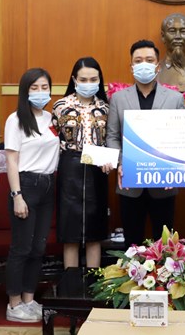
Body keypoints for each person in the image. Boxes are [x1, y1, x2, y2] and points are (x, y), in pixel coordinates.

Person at [106, 40, 185, 246]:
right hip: (129, 182)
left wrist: (174, 167)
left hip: (165, 182)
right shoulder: (118, 99)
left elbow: (181, 137)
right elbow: (112, 136)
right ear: (131, 66)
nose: (144, 64)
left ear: (157, 66)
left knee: (165, 245)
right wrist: (121, 163)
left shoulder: (175, 99)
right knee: (132, 244)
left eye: (149, 60)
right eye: (138, 60)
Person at [4, 68, 59, 322]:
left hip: (48, 185)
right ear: (25, 91)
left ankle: (29, 299)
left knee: (38, 248)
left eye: (44, 87)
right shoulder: (15, 119)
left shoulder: (52, 118)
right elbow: (11, 161)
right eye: (34, 87)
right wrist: (17, 195)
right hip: (26, 185)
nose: (40, 92)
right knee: (21, 248)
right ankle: (14, 304)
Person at [51, 57, 110, 269]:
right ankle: (71, 283)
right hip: (70, 168)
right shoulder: (61, 106)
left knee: (95, 231)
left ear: (99, 80)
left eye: (93, 79)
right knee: (70, 233)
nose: (88, 83)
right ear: (74, 79)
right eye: (83, 79)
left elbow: (110, 140)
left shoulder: (105, 107)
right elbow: (52, 139)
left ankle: (94, 282)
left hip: (98, 169)